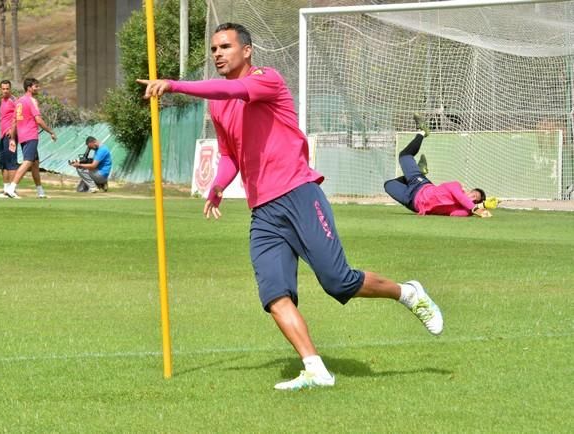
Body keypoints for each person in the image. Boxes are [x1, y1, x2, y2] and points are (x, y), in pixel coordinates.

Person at [138, 23, 444, 391]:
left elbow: (234, 88)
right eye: (214, 49)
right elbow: (229, 154)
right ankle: (315, 368)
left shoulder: (266, 79)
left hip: (299, 194)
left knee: (338, 282)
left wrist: (175, 85)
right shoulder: (219, 106)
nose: (217, 54)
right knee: (274, 295)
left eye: (225, 47)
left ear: (247, 51)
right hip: (264, 212)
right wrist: (217, 185)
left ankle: (408, 292)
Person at [384, 114, 496, 217]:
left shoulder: (463, 208)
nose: (471, 197)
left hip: (413, 203)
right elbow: (462, 198)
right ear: (468, 191)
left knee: (388, 184)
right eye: (473, 194)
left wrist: (481, 206)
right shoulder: (455, 186)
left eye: (474, 199)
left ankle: (420, 171)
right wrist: (477, 208)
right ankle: (422, 132)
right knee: (405, 155)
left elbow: (455, 214)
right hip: (420, 185)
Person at [4, 78, 56, 199]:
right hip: (31, 134)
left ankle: (40, 191)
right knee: (28, 161)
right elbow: (38, 119)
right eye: (36, 86)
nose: (38, 88)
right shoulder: (31, 100)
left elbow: (15, 120)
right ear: (29, 88)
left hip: (22, 136)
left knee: (35, 164)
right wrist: (51, 131)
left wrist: (13, 135)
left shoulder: (19, 101)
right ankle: (11, 188)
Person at [0, 80, 19, 198]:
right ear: (0, 89)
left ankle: (12, 190)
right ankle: (6, 190)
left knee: (11, 163)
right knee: (3, 164)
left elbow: (19, 116)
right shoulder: (2, 101)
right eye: (3, 89)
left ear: (10, 89)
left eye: (7, 89)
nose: (5, 91)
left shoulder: (13, 101)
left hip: (11, 136)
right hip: (2, 135)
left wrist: (12, 130)